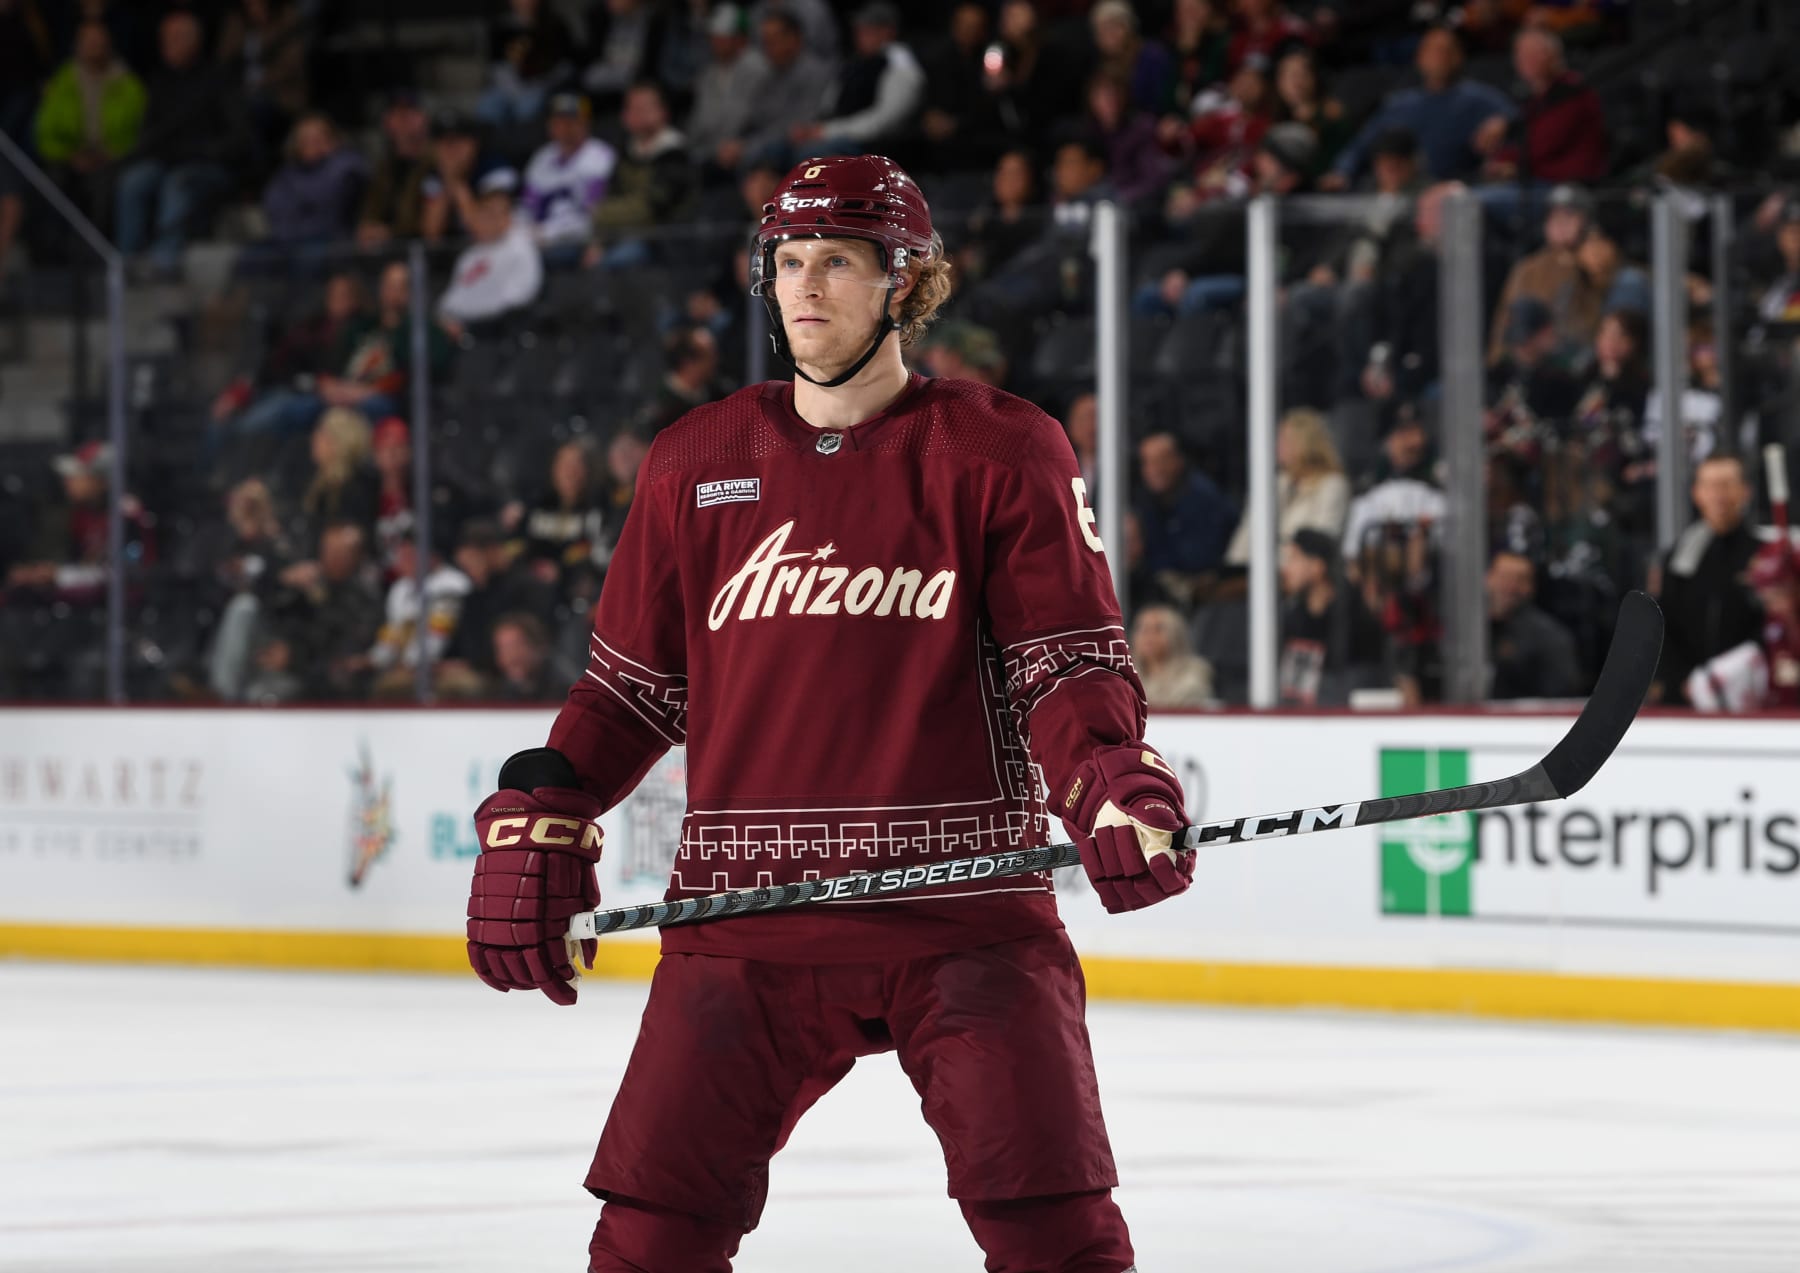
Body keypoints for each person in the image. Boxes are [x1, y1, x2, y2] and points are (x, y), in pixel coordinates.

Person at [461, 154, 1190, 1272]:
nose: (805, 288)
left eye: (838, 262)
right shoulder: (694, 461)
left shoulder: (1001, 449)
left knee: (1055, 1231)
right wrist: (548, 795)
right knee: (651, 1237)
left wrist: (1107, 777)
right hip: (744, 923)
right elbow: (628, 690)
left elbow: (1065, 664)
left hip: (964, 916)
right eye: (788, 261)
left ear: (905, 282)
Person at [113, 9, 242, 275]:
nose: (169, 44)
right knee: (133, 182)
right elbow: (150, 133)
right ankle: (127, 264)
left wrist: (202, 151)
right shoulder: (160, 81)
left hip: (208, 165)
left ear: (195, 40)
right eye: (166, 38)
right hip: (167, 161)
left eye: (177, 37)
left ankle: (164, 264)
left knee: (177, 184)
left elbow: (238, 136)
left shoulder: (218, 78)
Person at [1324, 26, 1514, 189]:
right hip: (1400, 191)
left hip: (1454, 191)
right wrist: (1342, 171)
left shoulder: (1480, 99)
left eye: (1446, 51)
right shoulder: (1400, 104)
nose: (1439, 57)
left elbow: (1518, 119)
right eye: (1432, 51)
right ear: (1419, 58)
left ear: (1459, 57)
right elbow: (1361, 145)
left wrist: (1503, 122)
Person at [1653, 455, 1763, 707]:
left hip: (1748, 698)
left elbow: (1769, 627)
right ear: (1696, 493)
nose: (1718, 495)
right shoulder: (1679, 558)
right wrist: (1683, 681)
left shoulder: (1763, 557)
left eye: (1726, 485)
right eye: (1710, 486)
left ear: (1745, 491)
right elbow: (1663, 624)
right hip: (1685, 698)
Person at [437, 169, 544, 330]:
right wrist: (446, 318)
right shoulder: (470, 256)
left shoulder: (520, 248)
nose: (488, 220)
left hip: (494, 329)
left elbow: (519, 298)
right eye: (484, 213)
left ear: (507, 217)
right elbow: (451, 299)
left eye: (495, 214)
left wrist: (465, 320)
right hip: (460, 327)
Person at [522, 93, 617, 267]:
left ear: (586, 124)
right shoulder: (541, 158)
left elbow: (592, 214)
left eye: (572, 121)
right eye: (559, 121)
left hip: (576, 239)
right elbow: (528, 206)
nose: (565, 127)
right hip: (537, 238)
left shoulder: (600, 156)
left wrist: (547, 234)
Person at [1486, 548, 1581, 699]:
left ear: (1531, 587)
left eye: (1520, 579)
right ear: (1488, 578)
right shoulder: (1465, 631)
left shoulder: (1550, 637)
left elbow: (1561, 697)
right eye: (1504, 577)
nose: (1510, 587)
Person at [1130, 603, 1214, 707]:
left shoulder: (1193, 674)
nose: (1148, 636)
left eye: (1158, 629)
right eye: (1143, 629)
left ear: (1175, 635)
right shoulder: (1126, 674)